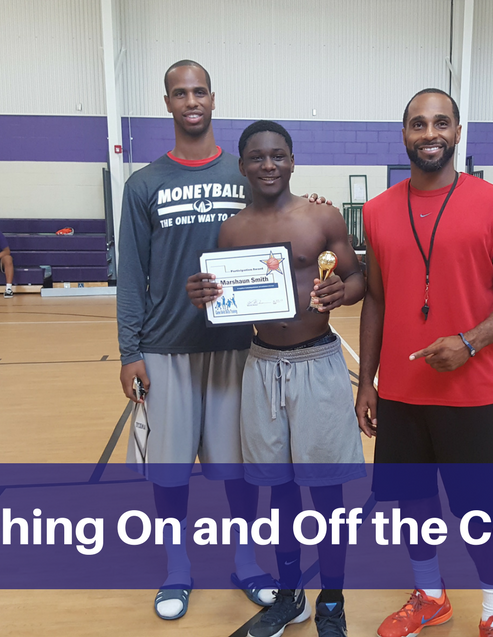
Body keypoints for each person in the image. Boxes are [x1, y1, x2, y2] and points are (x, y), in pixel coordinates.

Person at [118, 60, 328, 621]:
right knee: (169, 474)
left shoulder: (246, 177)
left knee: (240, 469)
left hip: (238, 348)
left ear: (213, 98)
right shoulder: (143, 184)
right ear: (167, 102)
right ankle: (177, 569)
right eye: (179, 93)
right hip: (165, 347)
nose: (191, 101)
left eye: (199, 91)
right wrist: (129, 352)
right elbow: (132, 275)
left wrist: (309, 207)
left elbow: (285, 223)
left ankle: (245, 562)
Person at [356, 88, 493, 637]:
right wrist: (367, 383)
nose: (429, 133)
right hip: (401, 393)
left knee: (484, 511)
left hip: (474, 392)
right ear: (404, 134)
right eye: (418, 124)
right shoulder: (376, 211)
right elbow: (377, 299)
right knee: (413, 504)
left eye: (441, 123)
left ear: (457, 132)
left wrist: (470, 341)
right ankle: (430, 597)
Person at [191, 120, 366, 637]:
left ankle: (332, 601)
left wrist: (343, 293)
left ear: (292, 161)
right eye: (257, 157)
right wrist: (206, 298)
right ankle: (290, 596)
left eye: (278, 156)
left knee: (327, 495)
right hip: (262, 365)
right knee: (280, 492)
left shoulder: (322, 215)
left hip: (318, 363)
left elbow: (357, 277)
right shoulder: (231, 231)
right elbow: (227, 300)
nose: (268, 165)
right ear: (242, 166)